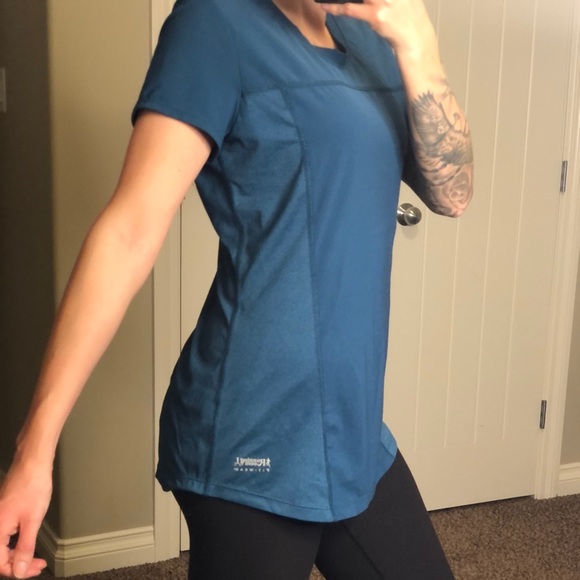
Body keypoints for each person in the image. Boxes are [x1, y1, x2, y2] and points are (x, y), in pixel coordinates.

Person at [0, 0, 473, 578]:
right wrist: (34, 450)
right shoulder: (213, 24)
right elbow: (129, 232)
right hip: (253, 429)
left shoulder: (376, 35)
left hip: (351, 425)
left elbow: (453, 194)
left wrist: (421, 48)